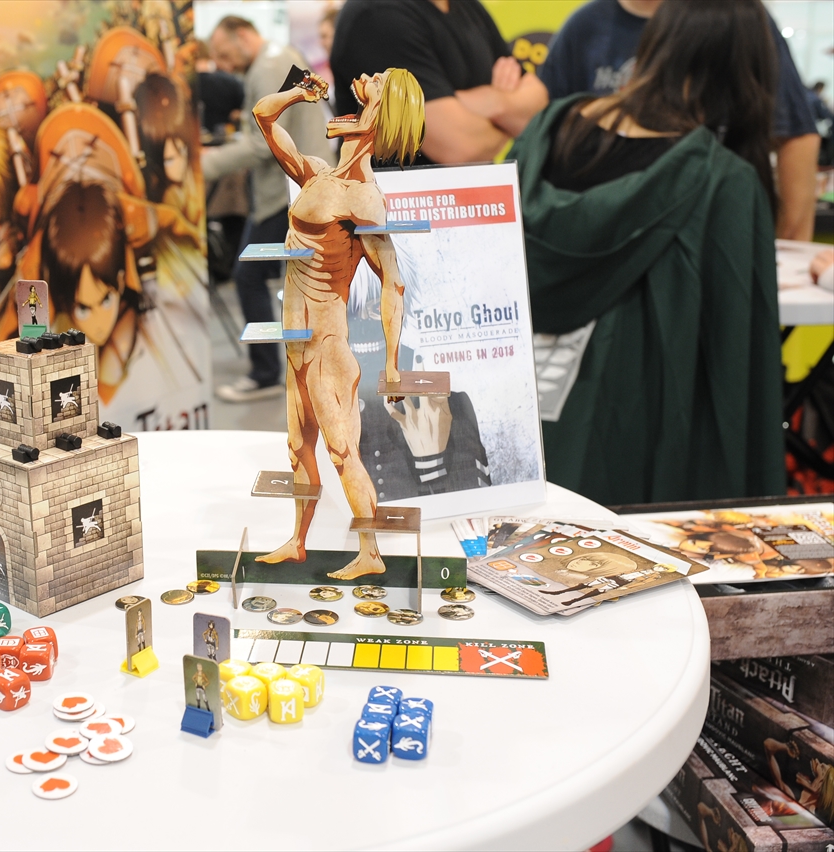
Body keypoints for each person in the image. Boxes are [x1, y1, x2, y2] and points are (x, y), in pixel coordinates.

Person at [512, 0, 785, 506]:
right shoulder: (722, 183)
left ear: (657, 43)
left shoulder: (547, 131)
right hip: (635, 454)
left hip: (507, 425)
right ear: (744, 69)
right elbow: (735, 370)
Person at [252, 67, 425, 580]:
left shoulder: (363, 198)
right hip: (296, 342)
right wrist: (297, 93)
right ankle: (297, 542)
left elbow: (393, 282)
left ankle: (371, 553)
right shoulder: (319, 174)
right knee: (297, 447)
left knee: (341, 450)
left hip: (327, 345)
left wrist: (392, 363)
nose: (365, 77)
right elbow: (263, 115)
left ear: (382, 107)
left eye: (378, 80)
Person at [541, 0, 821, 241]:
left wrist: (789, 245)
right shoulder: (585, 26)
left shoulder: (730, 15)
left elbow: (796, 133)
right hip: (606, 234)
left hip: (709, 228)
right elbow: (552, 132)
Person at [202, 16, 334, 403]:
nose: (222, 65)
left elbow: (263, 144)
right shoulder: (278, 58)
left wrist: (206, 163)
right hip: (300, 187)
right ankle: (293, 371)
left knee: (249, 276)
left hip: (292, 193)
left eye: (224, 53)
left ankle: (266, 374)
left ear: (243, 36)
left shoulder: (269, 66)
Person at [329, 0, 548, 166]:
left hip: (475, 205)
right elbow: (459, 146)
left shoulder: (467, 7)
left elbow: (539, 105)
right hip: (403, 209)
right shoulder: (377, 15)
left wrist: (494, 102)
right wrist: (509, 121)